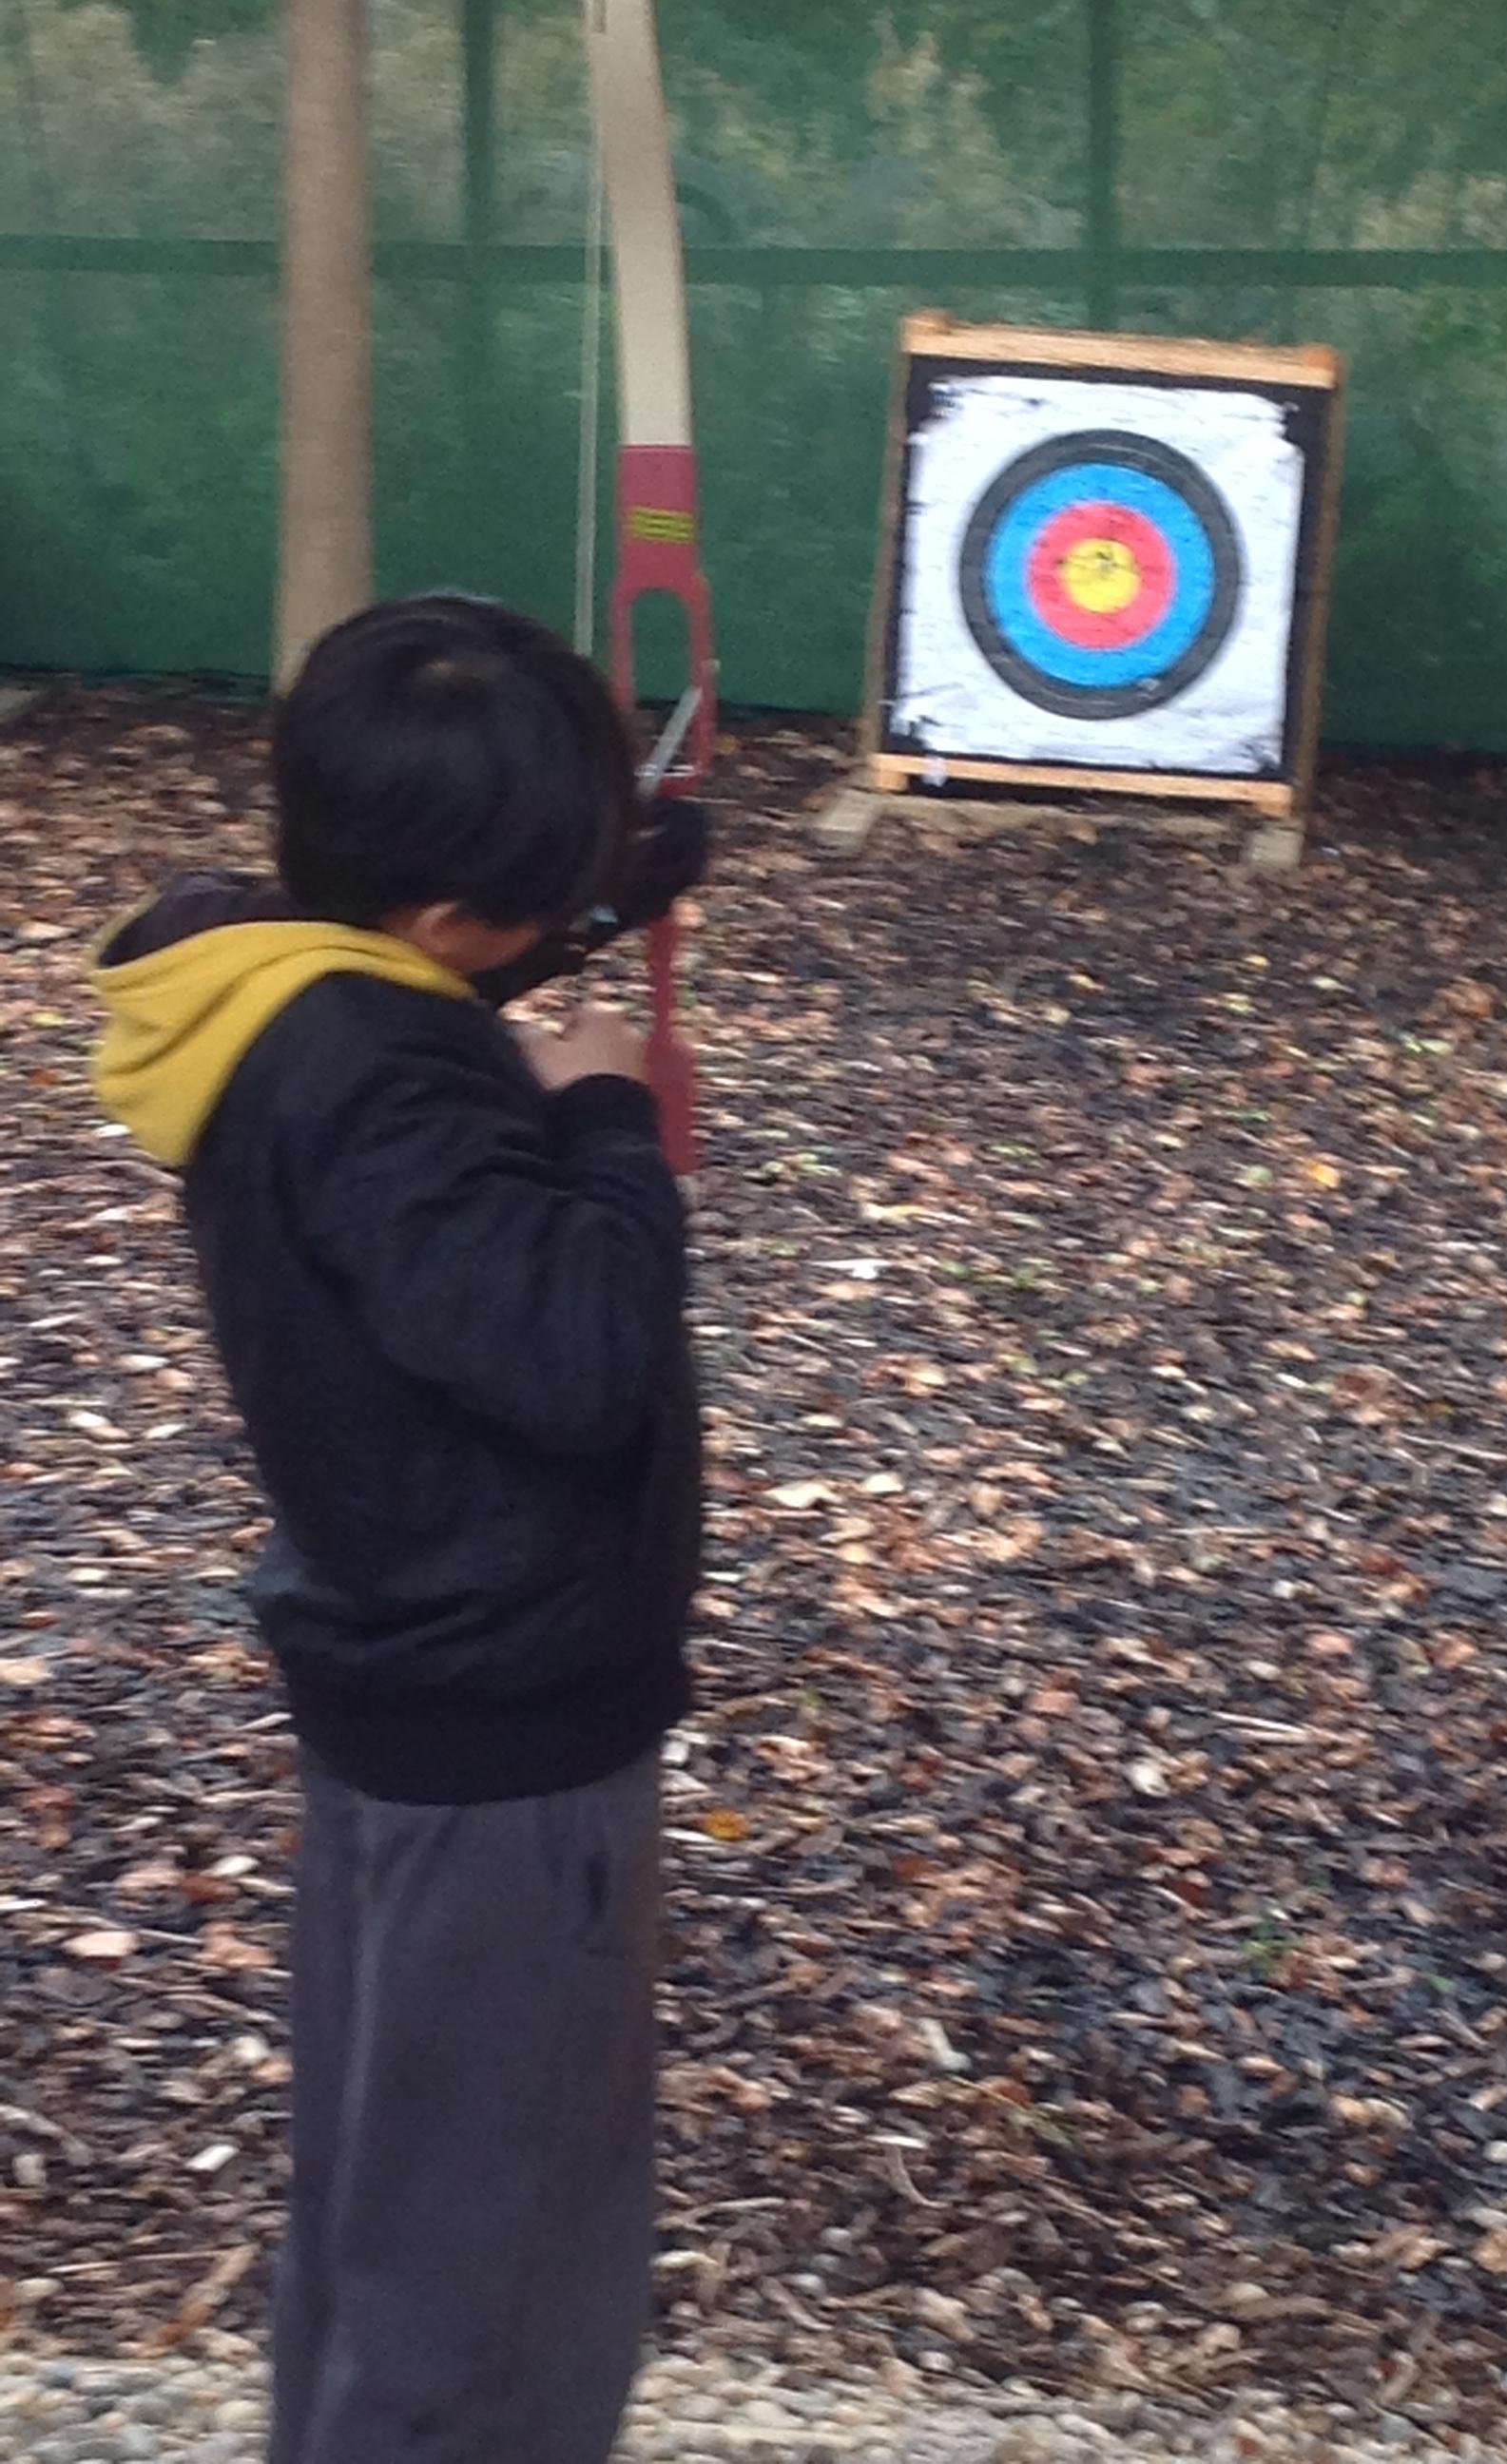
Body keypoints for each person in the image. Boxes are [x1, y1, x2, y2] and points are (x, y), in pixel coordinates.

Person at [87, 594, 707, 2464]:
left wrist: (590, 903)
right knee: (486, 2288)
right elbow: (580, 1350)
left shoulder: (268, 988)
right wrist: (609, 1121)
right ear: (447, 916)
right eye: (538, 888)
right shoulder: (378, 1081)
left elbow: (412, 1020)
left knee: (397, 2223)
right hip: (504, 1737)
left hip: (411, 1690)